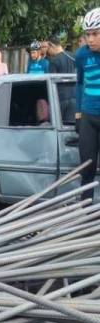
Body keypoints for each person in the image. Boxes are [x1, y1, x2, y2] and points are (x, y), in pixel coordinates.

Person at [76, 7, 100, 201]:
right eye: (88, 34)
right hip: (89, 117)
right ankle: (85, 212)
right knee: (87, 168)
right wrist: (78, 114)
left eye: (96, 34)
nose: (90, 39)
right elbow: (79, 83)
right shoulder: (81, 56)